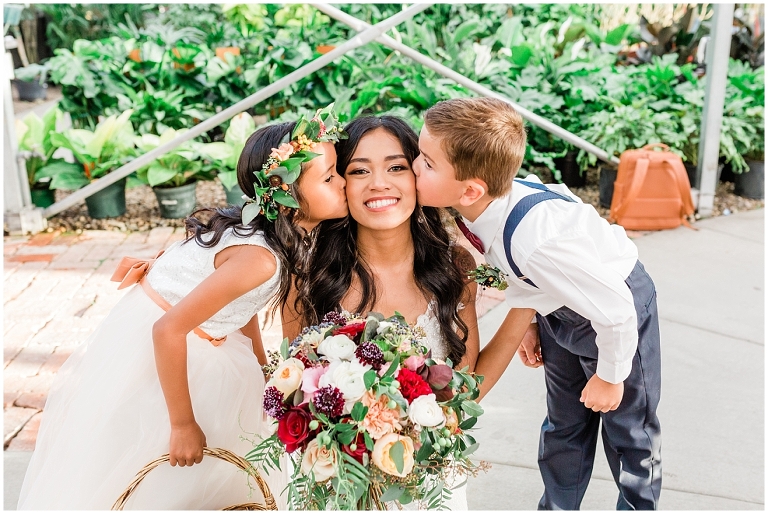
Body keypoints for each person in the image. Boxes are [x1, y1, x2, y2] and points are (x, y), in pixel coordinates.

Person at [17, 109, 349, 510]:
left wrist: (263, 366)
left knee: (231, 443)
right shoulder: (260, 259)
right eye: (330, 177)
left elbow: (239, 306)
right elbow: (167, 330)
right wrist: (182, 424)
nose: (344, 182)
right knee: (160, 450)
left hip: (194, 334)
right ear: (286, 192)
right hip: (169, 344)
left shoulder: (276, 240)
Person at [412, 97, 662, 510]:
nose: (415, 166)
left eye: (426, 162)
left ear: (471, 188)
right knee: (564, 423)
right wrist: (531, 319)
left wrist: (611, 375)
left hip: (617, 308)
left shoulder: (535, 242)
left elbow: (617, 310)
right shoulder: (475, 204)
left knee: (630, 432)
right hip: (558, 304)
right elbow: (518, 269)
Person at [282, 115, 481, 510]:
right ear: (338, 183)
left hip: (430, 474)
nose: (379, 183)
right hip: (336, 476)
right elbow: (292, 385)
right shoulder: (307, 274)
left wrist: (530, 303)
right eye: (358, 170)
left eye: (396, 167)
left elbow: (469, 385)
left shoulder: (454, 267)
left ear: (419, 176)